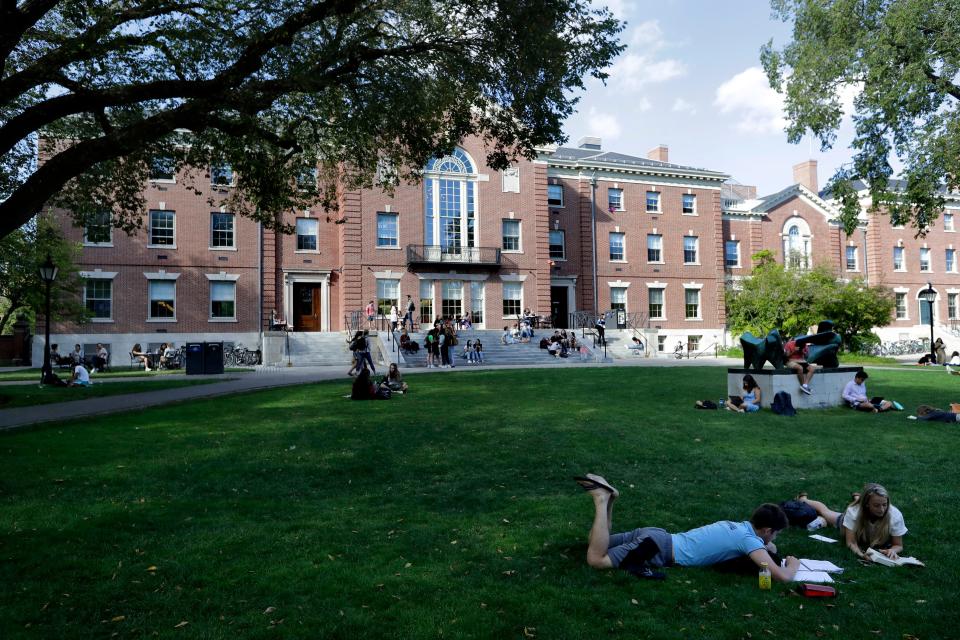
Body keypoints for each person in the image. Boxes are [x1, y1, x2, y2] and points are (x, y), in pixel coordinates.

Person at [575, 474, 798, 581]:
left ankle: (611, 498)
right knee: (596, 559)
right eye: (776, 532)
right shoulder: (749, 541)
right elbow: (781, 576)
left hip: (656, 536)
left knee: (595, 543)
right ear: (767, 530)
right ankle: (601, 499)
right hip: (658, 548)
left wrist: (771, 548)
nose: (775, 537)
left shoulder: (739, 528)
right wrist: (793, 565)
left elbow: (769, 549)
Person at [794, 484, 907, 561]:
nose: (882, 509)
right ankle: (803, 500)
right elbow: (851, 542)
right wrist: (861, 554)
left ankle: (857, 497)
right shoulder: (854, 512)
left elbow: (898, 545)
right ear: (867, 504)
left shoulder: (895, 515)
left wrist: (892, 550)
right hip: (846, 521)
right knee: (826, 512)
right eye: (876, 505)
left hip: (863, 510)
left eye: (884, 504)